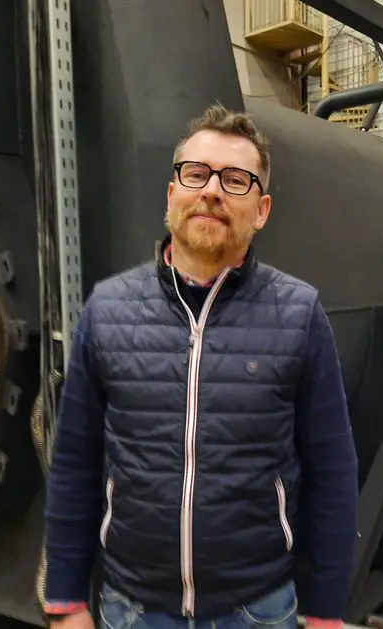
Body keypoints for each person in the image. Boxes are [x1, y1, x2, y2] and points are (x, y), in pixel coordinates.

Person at [41, 103, 359, 629]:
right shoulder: (108, 310)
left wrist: (325, 611)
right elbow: (75, 462)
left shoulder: (299, 314)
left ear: (261, 209)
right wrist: (65, 601)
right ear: (172, 195)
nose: (211, 190)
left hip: (257, 608)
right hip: (134, 608)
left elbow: (332, 471)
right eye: (196, 174)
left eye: (236, 180)